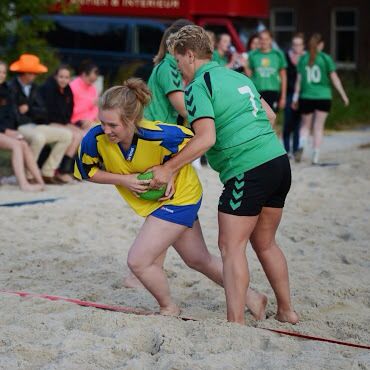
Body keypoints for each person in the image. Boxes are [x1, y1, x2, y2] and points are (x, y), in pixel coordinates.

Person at [74, 78, 267, 319]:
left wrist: (172, 170)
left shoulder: (160, 134)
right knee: (198, 259)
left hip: (181, 195)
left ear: (132, 120)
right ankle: (253, 297)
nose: (105, 130)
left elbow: (199, 139)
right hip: (159, 200)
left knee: (139, 261)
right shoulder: (95, 138)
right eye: (102, 122)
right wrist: (125, 180)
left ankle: (168, 307)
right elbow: (86, 171)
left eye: (113, 125)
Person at [150, 25, 298, 325]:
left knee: (231, 248)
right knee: (266, 243)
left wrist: (168, 168)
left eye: (178, 62)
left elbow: (205, 139)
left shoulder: (198, 86)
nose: (177, 70)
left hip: (248, 170)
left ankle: (235, 324)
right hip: (278, 162)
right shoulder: (237, 75)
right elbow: (269, 116)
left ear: (189, 55)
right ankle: (287, 311)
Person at [8, 54, 73, 184]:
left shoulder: (34, 88)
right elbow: (11, 112)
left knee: (66, 135)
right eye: (33, 72)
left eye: (35, 73)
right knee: (39, 137)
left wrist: (29, 110)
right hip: (18, 126)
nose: (35, 75)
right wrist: (30, 112)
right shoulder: (11, 87)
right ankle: (29, 174)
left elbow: (43, 111)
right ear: (25, 72)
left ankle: (47, 172)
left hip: (35, 124)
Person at [293, 33, 349, 164]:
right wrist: (343, 95)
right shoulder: (325, 58)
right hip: (324, 97)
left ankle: (301, 145)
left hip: (306, 96)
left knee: (305, 126)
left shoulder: (303, 58)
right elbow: (335, 79)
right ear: (321, 44)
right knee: (318, 127)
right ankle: (315, 155)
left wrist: (295, 97)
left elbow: (298, 81)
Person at [0, 61, 44, 191]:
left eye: (3, 72)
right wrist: (5, 131)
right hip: (2, 131)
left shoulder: (5, 90)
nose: (1, 75)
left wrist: (10, 130)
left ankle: (40, 182)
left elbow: (8, 116)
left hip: (4, 130)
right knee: (16, 145)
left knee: (23, 143)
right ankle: (24, 184)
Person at [144, 19, 193, 126]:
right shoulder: (169, 68)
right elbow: (184, 110)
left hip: (157, 128)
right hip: (157, 131)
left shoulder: (169, 65)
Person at [40, 65, 84, 175]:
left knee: (81, 134)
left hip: (62, 122)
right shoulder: (48, 88)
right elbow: (48, 112)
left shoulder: (67, 90)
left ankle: (65, 168)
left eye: (66, 77)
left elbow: (69, 111)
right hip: (48, 121)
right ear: (55, 77)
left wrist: (67, 124)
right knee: (72, 135)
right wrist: (65, 125)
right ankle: (59, 169)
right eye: (61, 77)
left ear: (70, 79)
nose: (63, 80)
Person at [246, 30, 287, 113]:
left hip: (273, 91)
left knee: (271, 118)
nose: (264, 41)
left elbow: (283, 76)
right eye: (261, 39)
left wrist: (283, 97)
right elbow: (249, 75)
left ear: (271, 40)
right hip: (257, 91)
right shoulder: (252, 54)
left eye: (266, 39)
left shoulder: (278, 54)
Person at [282, 33, 305, 159]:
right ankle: (286, 150)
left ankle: (296, 150)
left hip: (303, 95)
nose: (297, 47)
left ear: (303, 46)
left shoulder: (306, 58)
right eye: (295, 44)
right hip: (289, 93)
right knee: (288, 122)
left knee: (298, 123)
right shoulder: (286, 57)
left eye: (299, 45)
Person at [70, 61, 99, 130]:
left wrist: (90, 118)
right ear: (83, 74)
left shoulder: (93, 88)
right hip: (76, 120)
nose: (92, 83)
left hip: (90, 119)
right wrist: (90, 104)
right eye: (90, 80)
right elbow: (70, 110)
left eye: (93, 81)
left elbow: (95, 108)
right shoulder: (72, 86)